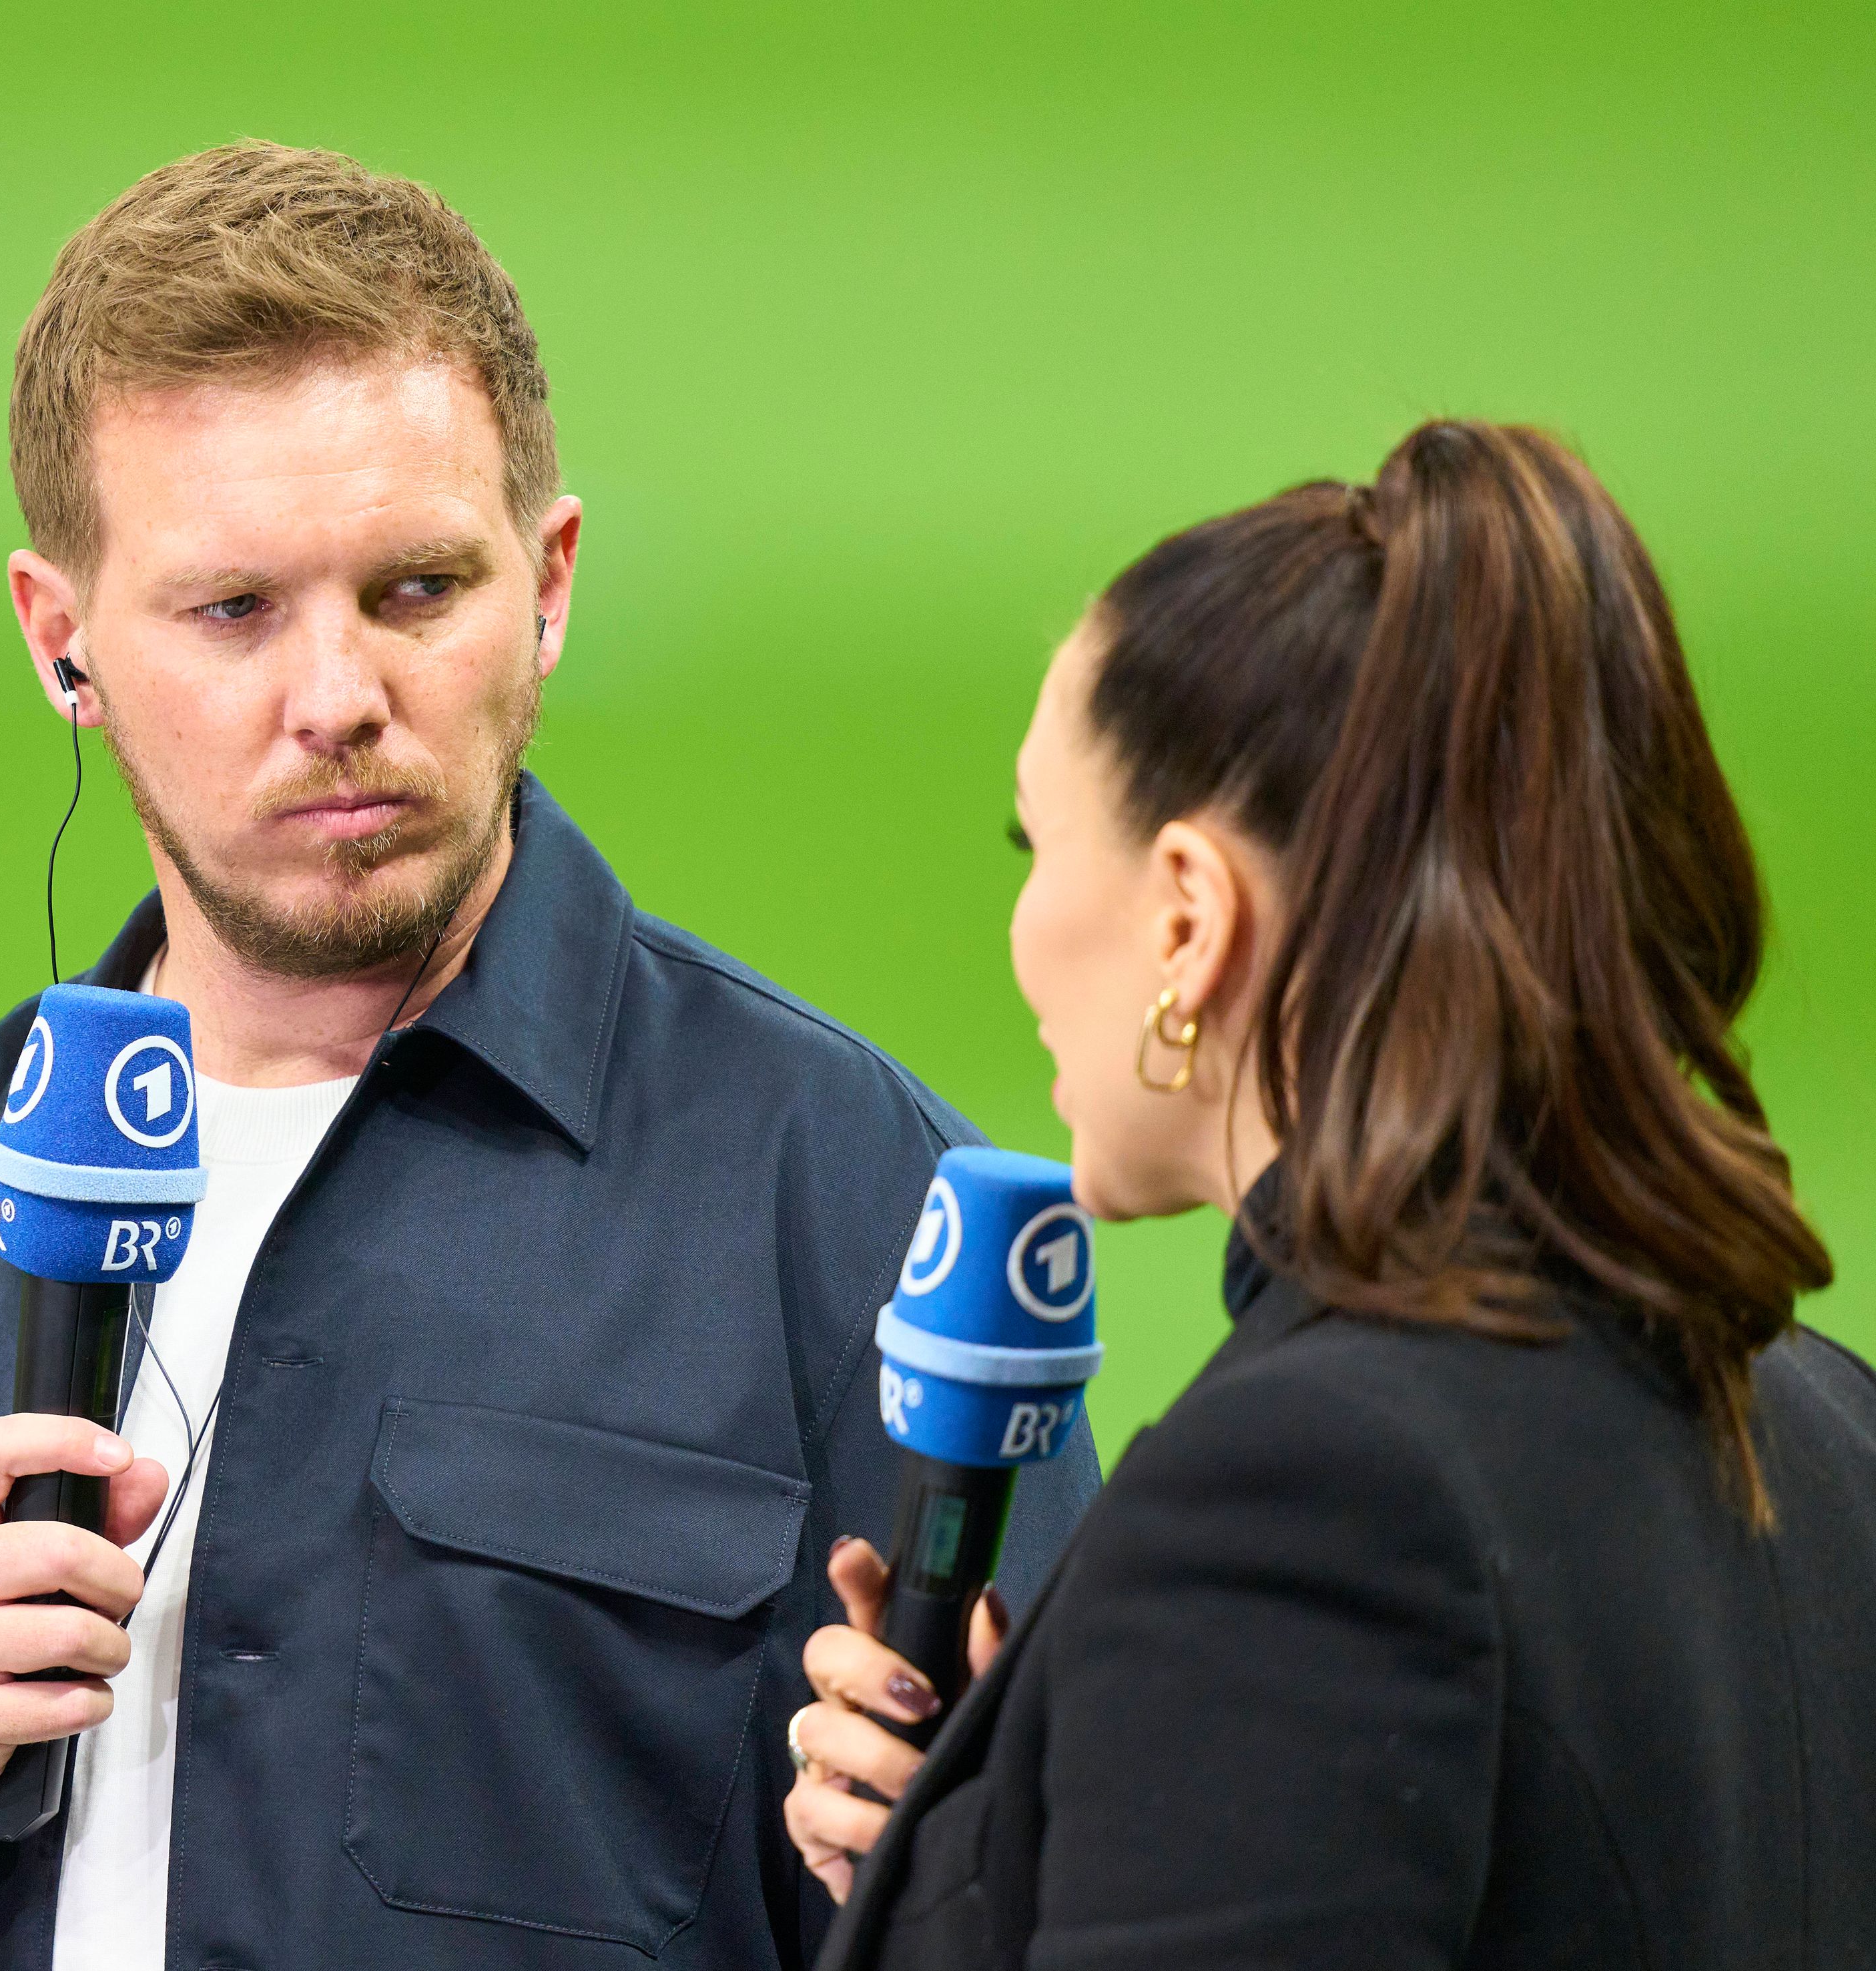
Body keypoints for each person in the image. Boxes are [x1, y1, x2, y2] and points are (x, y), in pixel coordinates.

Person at [0, 142, 1098, 1971]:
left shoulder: (847, 1205)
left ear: (550, 584)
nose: (339, 698)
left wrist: (959, 1885)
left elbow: (1093, 1908)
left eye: (418, 590)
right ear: (61, 642)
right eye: (234, 611)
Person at [786, 418, 1876, 1968]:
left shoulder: (1302, 1499)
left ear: (1187, 918)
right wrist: (1018, 1819)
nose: (1020, 926)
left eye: (1037, 841)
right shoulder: (1819, 1418)